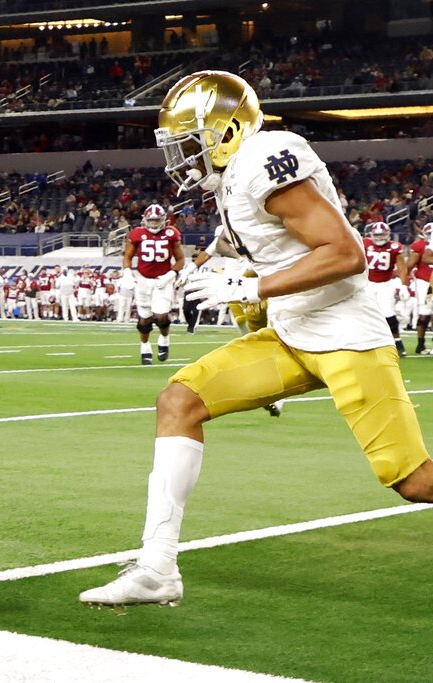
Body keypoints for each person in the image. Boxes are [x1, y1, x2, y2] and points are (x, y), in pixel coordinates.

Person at [79, 71, 433, 610]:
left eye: (189, 143)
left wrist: (252, 284)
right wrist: (213, 269)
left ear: (225, 132)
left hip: (345, 333)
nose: (182, 158)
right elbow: (250, 240)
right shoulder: (233, 178)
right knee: (180, 400)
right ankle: (157, 567)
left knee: (412, 480)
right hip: (292, 332)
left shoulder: (265, 157)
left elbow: (345, 253)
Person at [123, 204, 184, 365]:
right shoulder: (137, 234)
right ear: (145, 220)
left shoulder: (171, 233)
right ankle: (145, 346)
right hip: (142, 279)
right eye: (151, 220)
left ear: (163, 220)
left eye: (157, 220)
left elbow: (181, 260)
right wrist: (127, 272)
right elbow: (127, 256)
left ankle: (164, 339)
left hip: (163, 279)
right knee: (144, 319)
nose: (154, 224)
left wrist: (171, 274)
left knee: (162, 316)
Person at [363, 222, 408, 357]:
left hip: (386, 284)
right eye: (377, 234)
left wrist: (403, 285)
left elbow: (402, 268)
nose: (379, 237)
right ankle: (368, 342)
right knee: (366, 314)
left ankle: (397, 342)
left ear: (388, 234)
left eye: (382, 234)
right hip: (368, 284)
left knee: (389, 315)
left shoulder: (394, 247)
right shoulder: (365, 244)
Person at [405, 222, 432, 354]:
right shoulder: (420, 246)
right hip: (425, 282)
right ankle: (420, 344)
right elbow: (409, 265)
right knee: (425, 314)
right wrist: (403, 282)